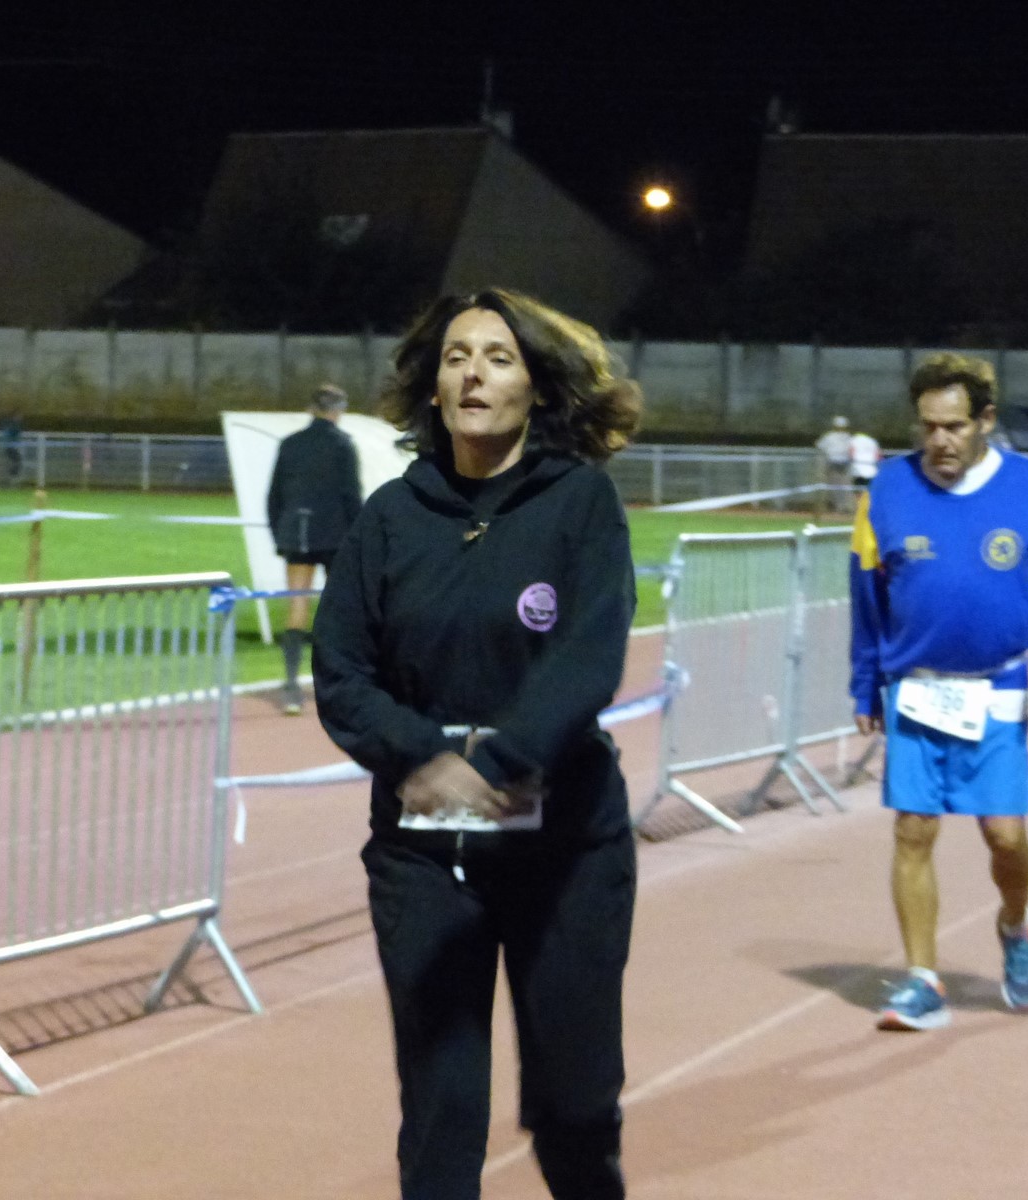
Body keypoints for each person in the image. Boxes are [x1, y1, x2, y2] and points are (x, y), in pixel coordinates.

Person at [313, 288, 642, 1199]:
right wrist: (422, 756)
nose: (473, 375)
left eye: (499, 358)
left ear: (538, 386)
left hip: (565, 851)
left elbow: (587, 658)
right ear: (432, 385)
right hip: (425, 857)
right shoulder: (390, 516)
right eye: (456, 357)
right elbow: (341, 670)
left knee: (574, 1107)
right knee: (442, 1111)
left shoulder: (581, 504)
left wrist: (495, 766)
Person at [849, 351, 1028, 1032]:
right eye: (928, 426)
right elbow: (867, 598)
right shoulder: (887, 491)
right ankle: (922, 980)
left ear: (985, 420)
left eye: (953, 426)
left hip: (996, 687)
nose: (940, 441)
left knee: (1004, 836)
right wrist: (864, 684)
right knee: (913, 829)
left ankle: (1014, 924)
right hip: (915, 689)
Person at [265, 382, 362, 715]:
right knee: (338, 611)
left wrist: (280, 535)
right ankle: (336, 684)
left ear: (311, 409)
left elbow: (274, 496)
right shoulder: (343, 444)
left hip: (296, 534)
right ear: (338, 410)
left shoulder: (290, 444)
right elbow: (352, 496)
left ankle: (292, 688)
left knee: (297, 607)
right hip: (335, 537)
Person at [815, 414, 853, 514]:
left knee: (836, 486)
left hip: (836, 463)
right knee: (841, 486)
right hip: (840, 463)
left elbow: (820, 446)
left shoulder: (831, 436)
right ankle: (840, 506)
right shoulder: (847, 437)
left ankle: (839, 507)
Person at [0, 412, 24, 486]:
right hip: (10, 447)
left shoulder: (11, 426)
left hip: (9, 447)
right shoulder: (14, 426)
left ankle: (11, 476)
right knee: (17, 461)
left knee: (16, 461)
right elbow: (14, 434)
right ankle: (12, 476)